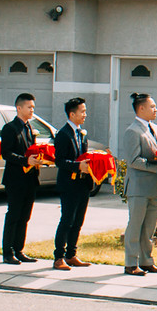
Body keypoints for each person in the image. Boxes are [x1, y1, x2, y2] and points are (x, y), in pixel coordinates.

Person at [119, 93, 157, 276]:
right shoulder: (132, 131)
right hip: (139, 187)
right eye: (152, 106)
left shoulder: (155, 128)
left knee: (149, 227)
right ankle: (131, 263)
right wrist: (156, 166)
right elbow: (133, 161)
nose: (156, 110)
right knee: (135, 225)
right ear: (141, 108)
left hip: (155, 185)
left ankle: (147, 261)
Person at [0, 93, 41, 265]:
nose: (32, 110)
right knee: (14, 214)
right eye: (29, 107)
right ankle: (7, 252)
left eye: (33, 108)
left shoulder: (29, 127)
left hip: (30, 178)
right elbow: (6, 153)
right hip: (15, 179)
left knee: (25, 216)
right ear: (19, 108)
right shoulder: (10, 128)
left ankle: (19, 249)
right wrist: (25, 160)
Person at [51, 97, 92, 270]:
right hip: (69, 184)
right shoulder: (63, 134)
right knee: (67, 220)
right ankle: (59, 256)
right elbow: (59, 161)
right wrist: (77, 166)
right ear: (72, 114)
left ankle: (71, 254)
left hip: (83, 184)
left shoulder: (81, 133)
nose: (85, 115)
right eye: (82, 111)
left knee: (78, 221)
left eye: (85, 111)